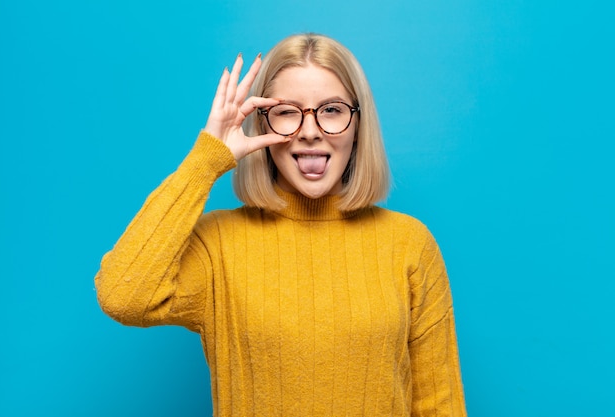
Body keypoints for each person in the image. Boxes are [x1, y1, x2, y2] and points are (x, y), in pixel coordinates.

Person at [95, 33, 467, 417]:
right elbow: (123, 295)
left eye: (332, 110)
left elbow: (440, 404)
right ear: (262, 125)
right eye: (288, 111)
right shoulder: (218, 243)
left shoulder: (408, 244)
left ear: (358, 124)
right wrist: (207, 160)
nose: (310, 131)